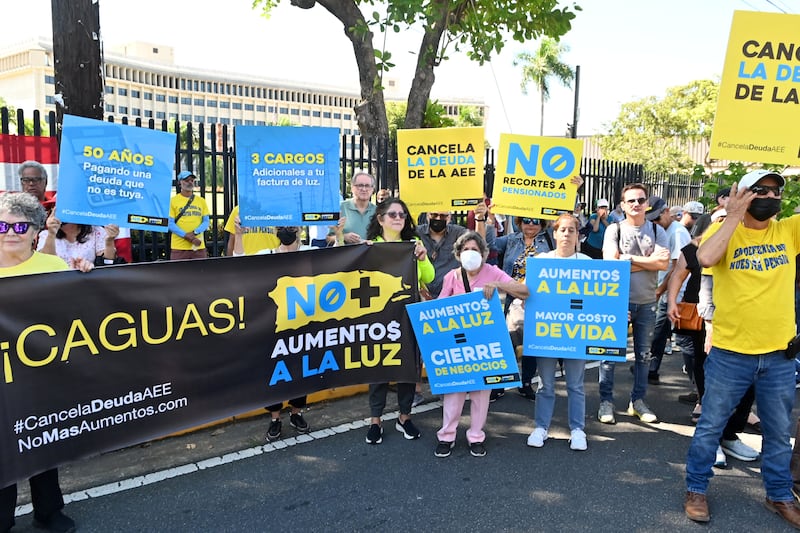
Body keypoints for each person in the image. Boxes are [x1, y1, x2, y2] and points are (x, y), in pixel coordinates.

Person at [684, 170, 800, 528]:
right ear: (743, 194)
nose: (770, 196)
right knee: (711, 426)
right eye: (760, 190)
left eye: (776, 191)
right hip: (731, 354)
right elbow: (704, 259)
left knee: (779, 432)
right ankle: (696, 489)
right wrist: (734, 214)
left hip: (779, 355)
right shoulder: (724, 231)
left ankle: (779, 495)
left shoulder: (788, 231)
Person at [0, 191, 93, 533]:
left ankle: (49, 512)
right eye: (3, 225)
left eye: (21, 226)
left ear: (36, 230)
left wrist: (89, 276)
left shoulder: (53, 267)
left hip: (40, 375)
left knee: (41, 441)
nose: (11, 232)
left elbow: (76, 315)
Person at [233, 222, 343, 440]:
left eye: (291, 227)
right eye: (282, 227)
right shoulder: (267, 254)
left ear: (300, 230)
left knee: (301, 371)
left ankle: (296, 413)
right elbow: (240, 262)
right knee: (275, 372)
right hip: (274, 326)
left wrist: (338, 233)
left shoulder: (310, 252)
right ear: (275, 231)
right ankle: (275, 418)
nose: (287, 231)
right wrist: (238, 235)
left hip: (303, 326)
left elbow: (338, 260)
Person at [434, 231, 529, 458]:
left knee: (481, 394)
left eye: (475, 249)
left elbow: (524, 291)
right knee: (454, 393)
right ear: (458, 254)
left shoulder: (492, 272)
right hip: (458, 344)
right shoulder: (452, 277)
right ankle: (447, 436)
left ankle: (476, 436)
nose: (470, 253)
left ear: (484, 254)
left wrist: (498, 284)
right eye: (466, 249)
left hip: (485, 345)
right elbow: (437, 310)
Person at [363, 197, 434, 444]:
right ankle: (376, 420)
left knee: (407, 367)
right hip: (379, 316)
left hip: (407, 314)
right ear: (380, 219)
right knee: (378, 367)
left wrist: (423, 258)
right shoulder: (371, 246)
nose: (398, 218)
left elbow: (429, 277)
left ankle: (405, 417)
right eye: (392, 214)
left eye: (402, 215)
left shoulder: (413, 244)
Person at [599, 183, 669, 425]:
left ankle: (637, 402)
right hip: (618, 303)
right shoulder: (614, 230)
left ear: (647, 203)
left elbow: (663, 264)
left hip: (648, 303)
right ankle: (605, 402)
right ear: (623, 205)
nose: (637, 204)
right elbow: (611, 263)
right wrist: (647, 261)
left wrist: (628, 258)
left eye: (641, 200)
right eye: (631, 201)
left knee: (643, 356)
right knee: (609, 356)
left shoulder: (657, 230)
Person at [526, 214, 591, 451]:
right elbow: (530, 292)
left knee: (576, 385)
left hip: (576, 334)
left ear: (577, 235)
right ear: (554, 233)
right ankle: (541, 427)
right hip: (547, 333)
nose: (566, 234)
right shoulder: (541, 261)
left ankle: (577, 429)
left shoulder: (586, 262)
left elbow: (599, 298)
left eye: (571, 230)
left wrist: (615, 314)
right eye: (562, 230)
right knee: (546, 384)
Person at [493, 216, 555, 401]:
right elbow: (486, 245)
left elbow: (566, 227)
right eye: (527, 220)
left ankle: (526, 382)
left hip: (539, 297)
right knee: (506, 339)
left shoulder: (549, 239)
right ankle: (502, 381)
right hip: (511, 294)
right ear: (519, 222)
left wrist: (574, 191)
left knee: (532, 340)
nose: (531, 224)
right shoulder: (510, 240)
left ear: (542, 224)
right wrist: (485, 220)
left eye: (536, 221)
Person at [647, 196, 692, 385]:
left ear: (667, 211)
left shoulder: (677, 233)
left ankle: (699, 385)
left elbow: (677, 268)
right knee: (660, 333)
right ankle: (652, 369)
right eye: (652, 220)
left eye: (657, 218)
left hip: (678, 294)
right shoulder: (664, 231)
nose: (655, 223)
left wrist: (659, 291)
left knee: (685, 341)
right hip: (670, 292)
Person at [416, 203, 492, 300]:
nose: (438, 219)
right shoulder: (417, 233)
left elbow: (478, 243)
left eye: (443, 216)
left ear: (449, 218)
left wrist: (479, 219)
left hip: (451, 295)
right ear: (427, 215)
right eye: (434, 215)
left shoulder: (457, 232)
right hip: (422, 295)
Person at [37, 213, 120, 267]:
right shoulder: (45, 235)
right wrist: (51, 234)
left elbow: (107, 265)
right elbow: (44, 264)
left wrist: (109, 242)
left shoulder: (96, 231)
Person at [168, 171, 209, 260]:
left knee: (201, 273)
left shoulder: (201, 201)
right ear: (180, 182)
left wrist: (195, 232)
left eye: (192, 180)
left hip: (198, 246)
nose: (190, 182)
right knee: (178, 273)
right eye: (186, 180)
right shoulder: (173, 201)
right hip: (179, 247)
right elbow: (170, 223)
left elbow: (206, 221)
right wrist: (186, 236)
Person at [340, 169, 377, 244]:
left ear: (372, 189)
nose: (364, 189)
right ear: (352, 188)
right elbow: (328, 238)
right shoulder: (340, 208)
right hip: (346, 254)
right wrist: (344, 237)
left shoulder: (378, 211)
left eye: (367, 186)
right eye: (360, 185)